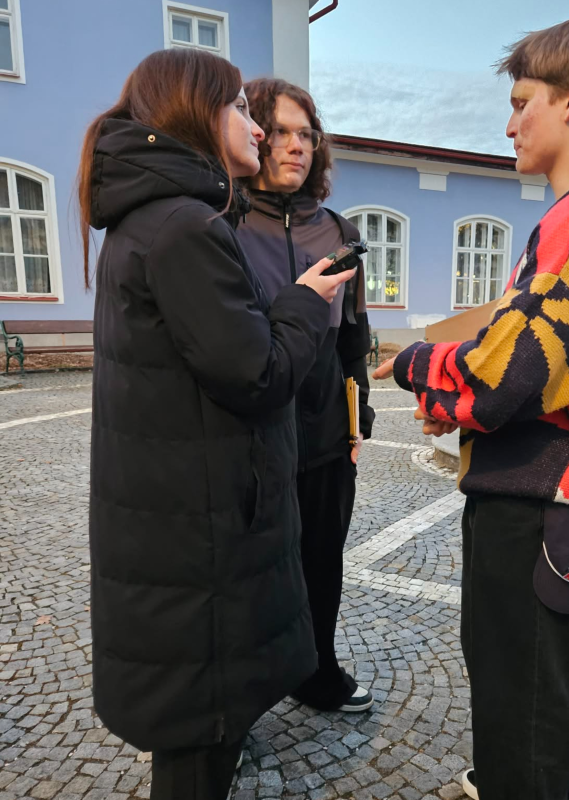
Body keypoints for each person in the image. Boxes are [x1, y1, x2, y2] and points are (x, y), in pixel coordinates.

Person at [373, 19, 569, 800]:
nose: (509, 123)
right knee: (509, 660)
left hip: (539, 489)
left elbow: (512, 373)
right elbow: (534, 359)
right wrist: (459, 406)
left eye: (522, 101)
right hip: (533, 480)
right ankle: (507, 776)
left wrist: (416, 369)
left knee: (524, 668)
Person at [78, 48, 354, 800]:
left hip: (178, 510)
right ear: (198, 116)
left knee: (205, 733)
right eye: (240, 109)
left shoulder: (150, 220)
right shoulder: (184, 227)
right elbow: (258, 373)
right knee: (199, 746)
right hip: (198, 532)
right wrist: (301, 301)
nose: (260, 131)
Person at [236, 78, 375, 713]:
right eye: (283, 132)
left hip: (323, 437)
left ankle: (317, 671)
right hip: (252, 438)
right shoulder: (225, 225)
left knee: (323, 562)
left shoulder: (338, 230)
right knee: (253, 571)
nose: (297, 147)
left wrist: (359, 415)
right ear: (256, 135)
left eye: (307, 135)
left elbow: (354, 338)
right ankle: (249, 691)